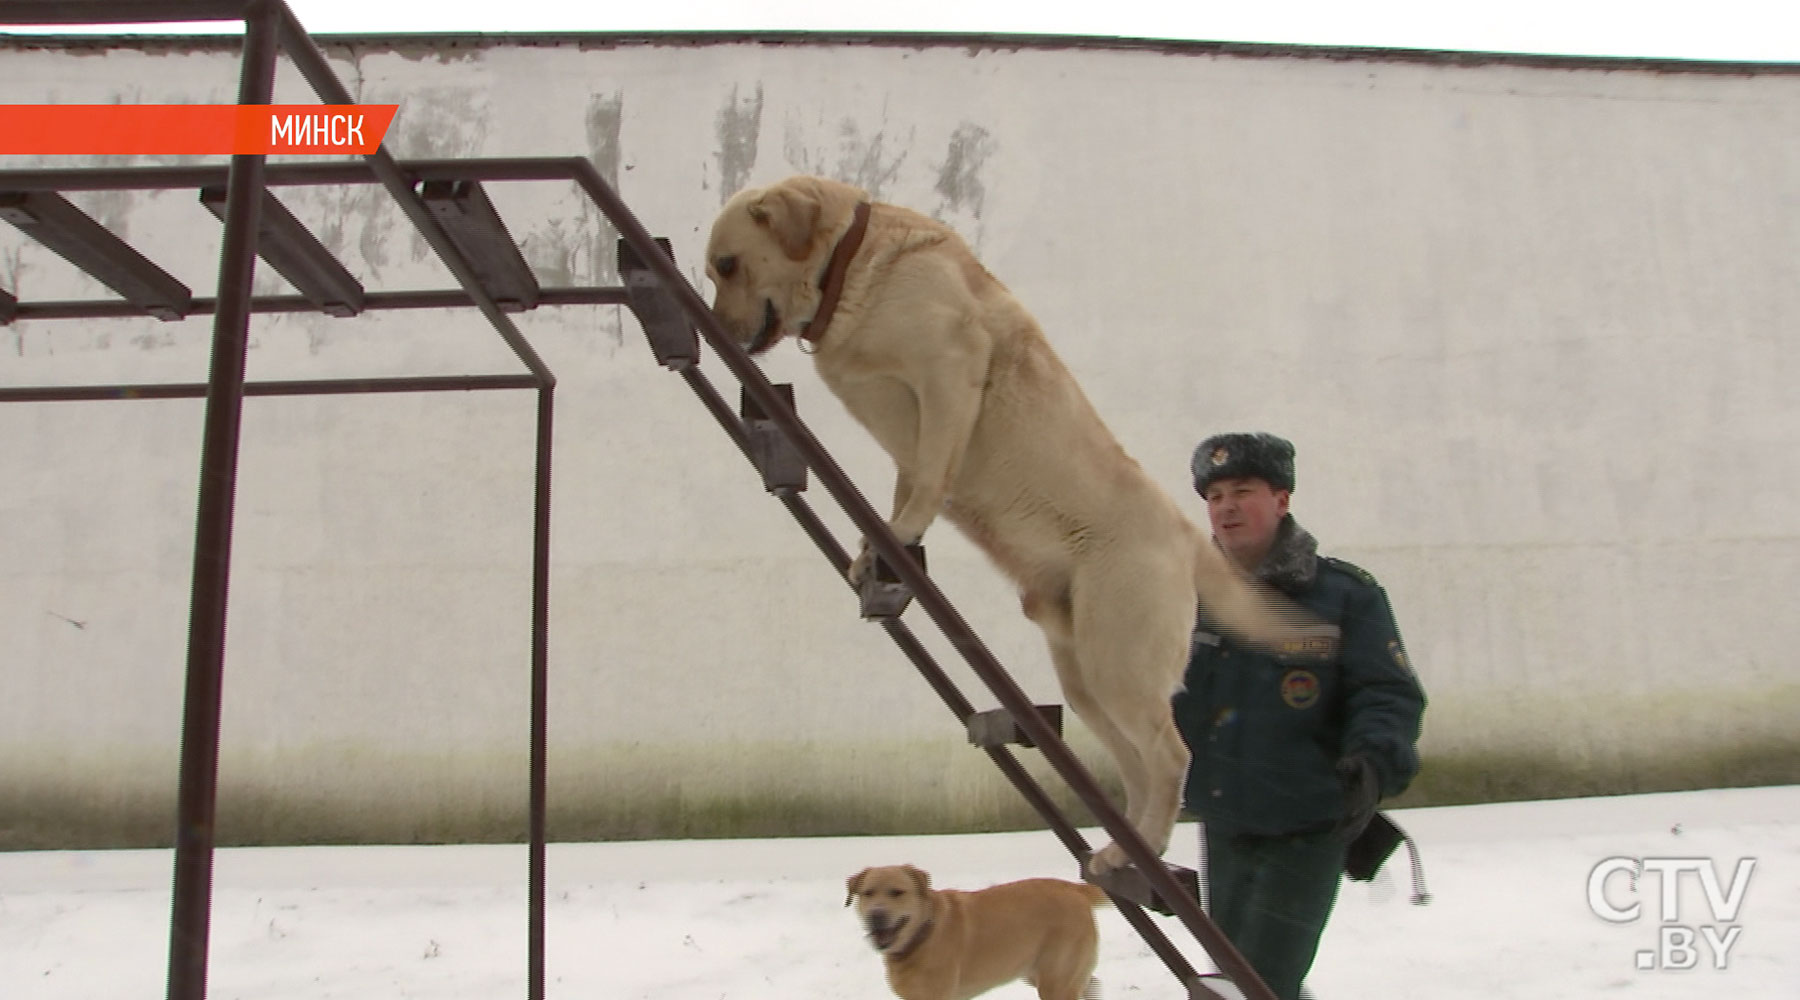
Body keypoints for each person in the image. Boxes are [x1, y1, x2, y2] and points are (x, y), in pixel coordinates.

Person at [1171, 432, 1427, 1000]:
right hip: (1225, 817)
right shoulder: (1183, 594)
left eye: (1244, 490)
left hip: (1307, 822)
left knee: (1258, 983)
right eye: (1214, 496)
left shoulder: (1342, 596)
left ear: (1282, 500)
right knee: (1239, 978)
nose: (1227, 507)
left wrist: (1372, 763)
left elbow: (1388, 693)